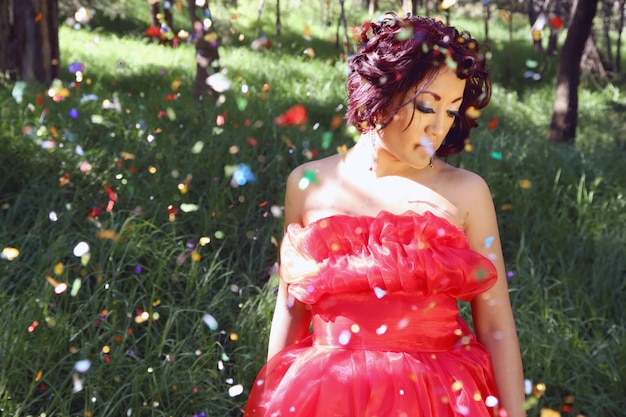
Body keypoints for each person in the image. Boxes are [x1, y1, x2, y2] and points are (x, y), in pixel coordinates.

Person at [245, 13, 525, 417]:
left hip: (435, 395)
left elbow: (496, 327)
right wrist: (271, 400)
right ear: (381, 93)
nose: (439, 127)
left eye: (452, 111)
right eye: (428, 106)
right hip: (328, 394)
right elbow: (290, 310)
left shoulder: (467, 192)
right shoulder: (308, 183)